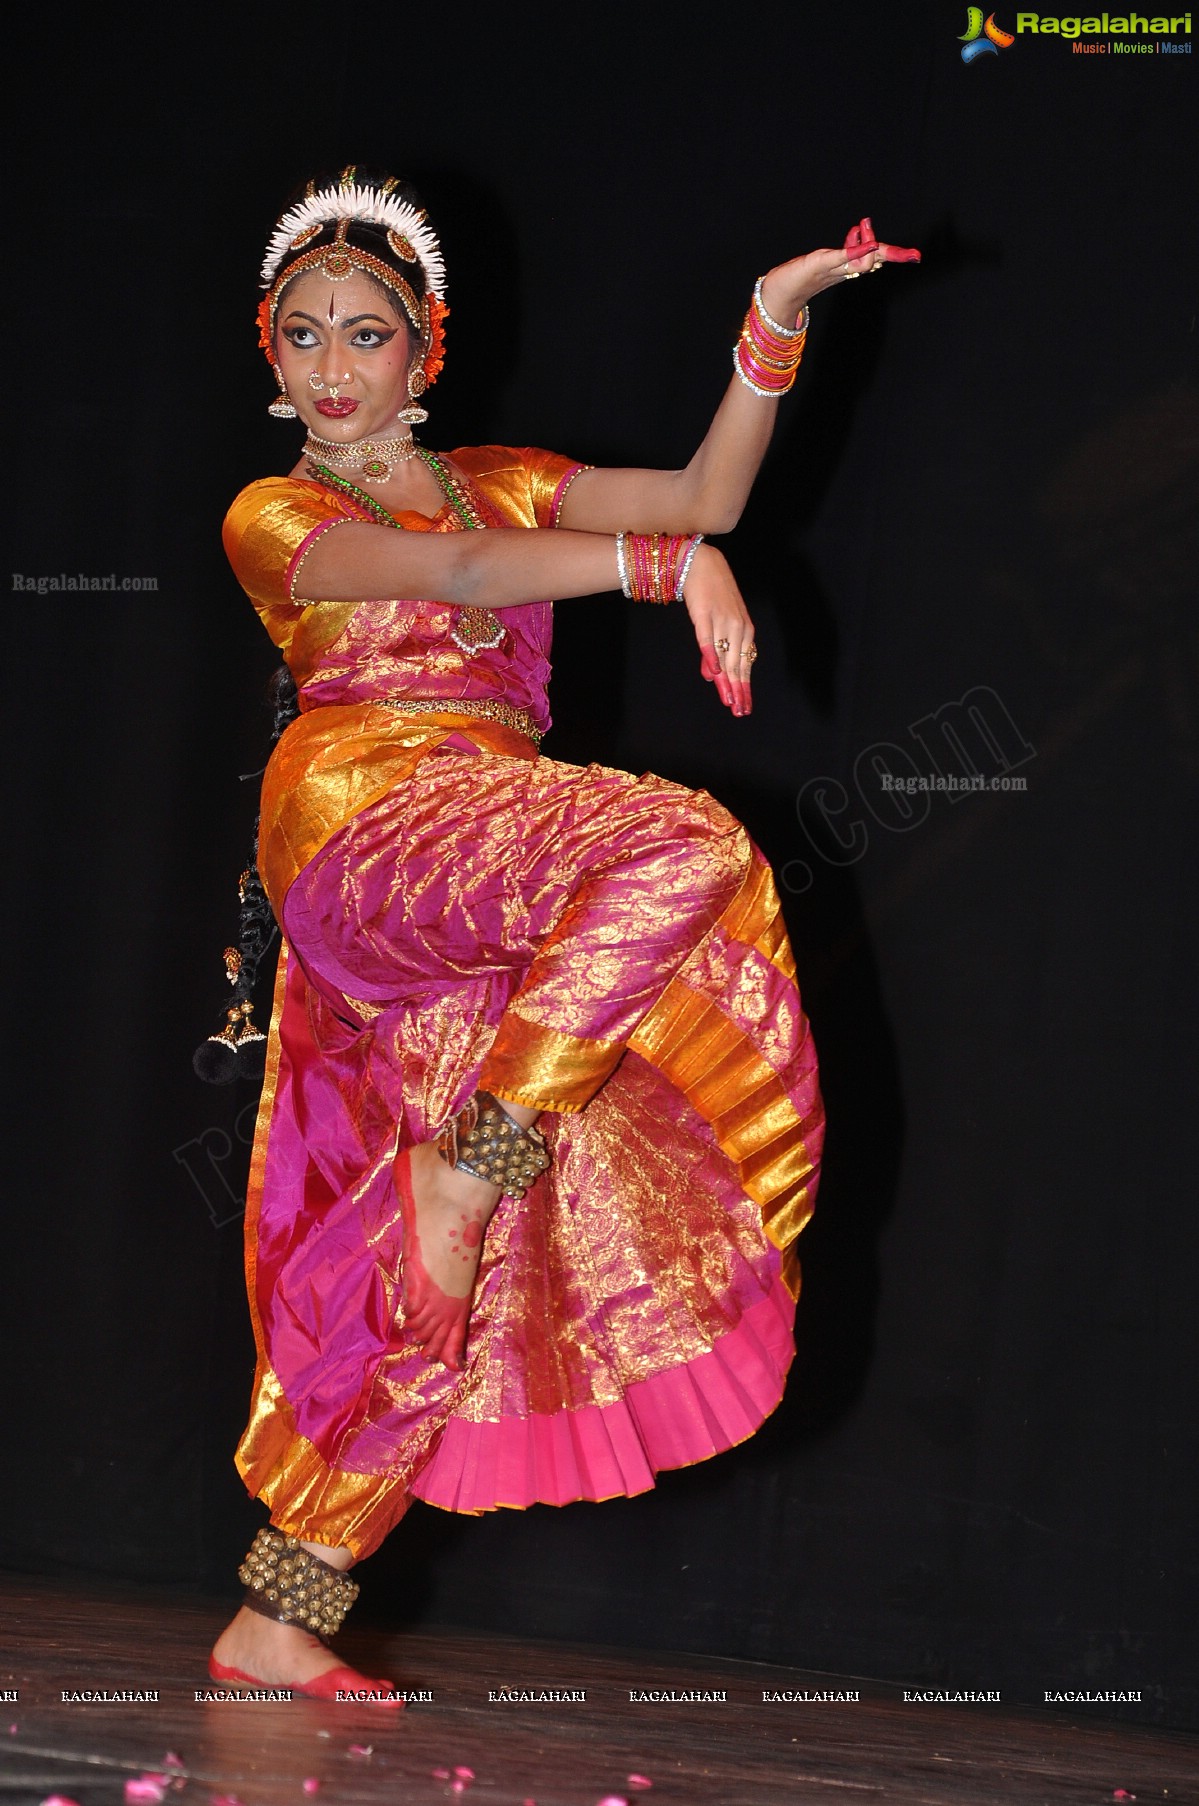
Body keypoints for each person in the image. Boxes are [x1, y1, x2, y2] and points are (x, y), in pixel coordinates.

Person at [206, 167, 918, 1702]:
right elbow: (465, 578)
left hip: (496, 859)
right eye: (304, 337)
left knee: (444, 1261)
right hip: (370, 826)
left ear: (428, 349)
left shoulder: (506, 478)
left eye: (369, 335)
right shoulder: (279, 514)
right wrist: (657, 572)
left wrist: (771, 322)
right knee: (681, 842)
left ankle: (282, 1608)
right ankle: (482, 1147)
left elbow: (705, 499)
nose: (335, 368)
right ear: (270, 359)